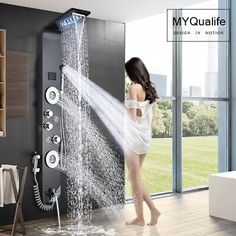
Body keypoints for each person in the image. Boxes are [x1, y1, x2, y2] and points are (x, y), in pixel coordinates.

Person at [124, 57, 161, 226]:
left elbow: (131, 116)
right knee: (135, 177)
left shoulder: (134, 88)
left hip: (133, 138)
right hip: (145, 139)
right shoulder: (149, 89)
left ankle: (143, 216)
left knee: (135, 178)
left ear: (132, 72)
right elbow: (152, 118)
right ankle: (149, 212)